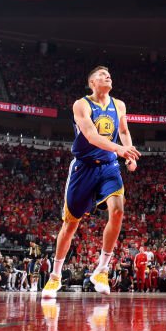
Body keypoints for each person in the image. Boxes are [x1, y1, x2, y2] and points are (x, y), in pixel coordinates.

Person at [41, 66, 141, 299]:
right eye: (101, 75)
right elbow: (91, 136)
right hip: (83, 167)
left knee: (117, 211)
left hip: (109, 166)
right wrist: (120, 149)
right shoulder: (81, 105)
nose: (107, 76)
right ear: (92, 83)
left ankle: (102, 269)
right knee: (70, 224)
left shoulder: (120, 105)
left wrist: (129, 154)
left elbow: (124, 131)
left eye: (109, 74)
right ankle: (55, 276)